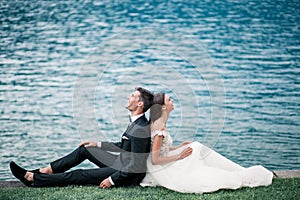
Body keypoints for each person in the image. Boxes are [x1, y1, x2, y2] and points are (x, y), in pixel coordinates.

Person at [10, 87, 154, 188]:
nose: (129, 97)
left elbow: (136, 165)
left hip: (126, 174)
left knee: (79, 175)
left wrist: (112, 180)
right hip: (120, 163)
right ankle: (46, 171)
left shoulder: (140, 129)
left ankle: (33, 179)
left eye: (133, 96)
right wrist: (97, 144)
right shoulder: (136, 122)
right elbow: (124, 145)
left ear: (140, 104)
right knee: (86, 149)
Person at [140, 92, 273, 193]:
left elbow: (162, 149)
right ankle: (237, 172)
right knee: (197, 149)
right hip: (160, 169)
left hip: (161, 161)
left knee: (195, 147)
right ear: (163, 107)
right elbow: (155, 159)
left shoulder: (159, 123)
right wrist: (179, 156)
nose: (172, 100)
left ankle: (236, 170)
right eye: (169, 100)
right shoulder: (159, 129)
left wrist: (179, 147)